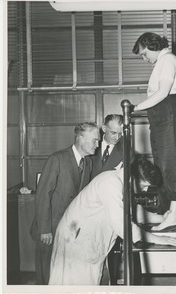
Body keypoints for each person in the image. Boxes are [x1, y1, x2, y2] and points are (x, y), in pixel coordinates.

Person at [48, 156, 176, 285]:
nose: (145, 190)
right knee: (74, 286)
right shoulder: (110, 182)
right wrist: (156, 239)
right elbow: (121, 223)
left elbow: (133, 211)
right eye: (144, 185)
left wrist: (161, 218)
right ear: (132, 178)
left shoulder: (122, 184)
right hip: (75, 242)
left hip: (86, 241)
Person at [30, 122, 100, 285]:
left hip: (69, 229)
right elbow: (42, 195)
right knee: (46, 274)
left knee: (61, 275)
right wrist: (45, 229)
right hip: (50, 229)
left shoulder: (88, 162)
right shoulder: (57, 159)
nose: (97, 145)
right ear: (80, 138)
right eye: (94, 140)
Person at [132, 32, 176, 231]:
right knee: (162, 165)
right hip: (159, 114)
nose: (145, 59)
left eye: (145, 54)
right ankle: (170, 210)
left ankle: (174, 214)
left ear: (153, 45)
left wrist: (135, 108)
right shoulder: (161, 63)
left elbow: (163, 93)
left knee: (171, 164)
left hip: (167, 111)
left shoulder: (168, 60)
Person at [90, 114, 125, 180]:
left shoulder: (126, 151)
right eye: (113, 133)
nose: (117, 137)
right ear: (104, 128)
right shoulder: (90, 145)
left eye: (120, 133)